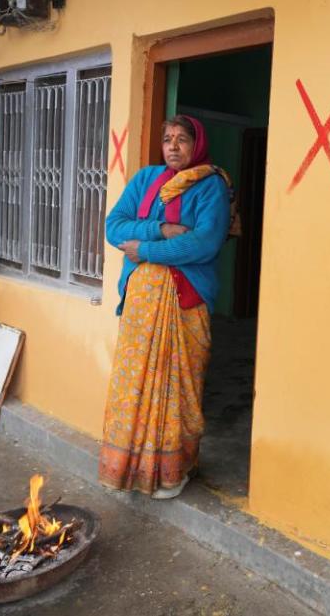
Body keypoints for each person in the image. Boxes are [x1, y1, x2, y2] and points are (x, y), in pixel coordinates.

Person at [98, 115, 232, 500]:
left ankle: (175, 471)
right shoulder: (144, 180)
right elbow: (114, 227)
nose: (173, 146)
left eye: (182, 140)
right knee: (135, 384)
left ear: (197, 144)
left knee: (180, 387)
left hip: (186, 302)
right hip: (141, 304)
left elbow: (204, 244)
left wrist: (145, 250)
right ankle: (130, 469)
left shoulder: (210, 187)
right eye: (167, 139)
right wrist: (160, 229)